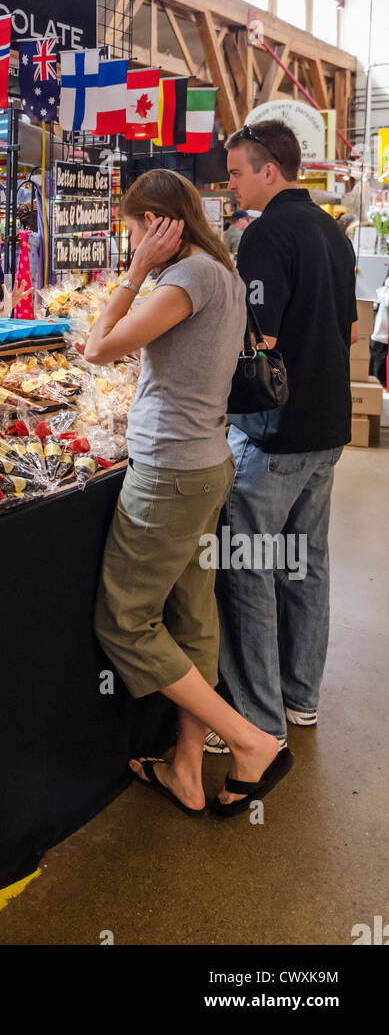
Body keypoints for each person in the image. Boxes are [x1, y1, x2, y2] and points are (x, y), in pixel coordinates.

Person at [83, 169, 292, 818]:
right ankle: (184, 766)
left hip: (169, 474)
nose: (133, 237)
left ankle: (247, 741)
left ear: (156, 224)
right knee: (192, 618)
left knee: (123, 620)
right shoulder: (220, 272)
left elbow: (98, 347)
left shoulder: (186, 278)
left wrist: (132, 270)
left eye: (135, 227)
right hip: (203, 463)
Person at [213, 120, 357, 752]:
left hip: (274, 435)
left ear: (269, 170)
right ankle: (301, 699)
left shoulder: (266, 234)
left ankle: (256, 716)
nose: (231, 183)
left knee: (248, 567)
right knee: (305, 564)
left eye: (238, 171)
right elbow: (349, 333)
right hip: (328, 426)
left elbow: (256, 340)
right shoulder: (332, 230)